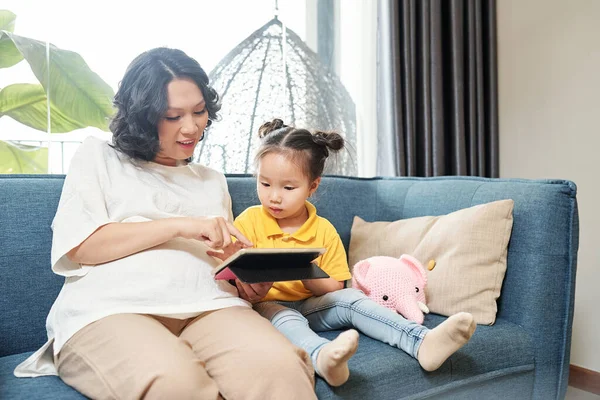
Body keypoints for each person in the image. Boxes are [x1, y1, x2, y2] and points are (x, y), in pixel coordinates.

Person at [14, 49, 316, 400]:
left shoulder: (210, 179)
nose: (191, 127)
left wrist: (248, 283)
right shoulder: (99, 156)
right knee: (177, 384)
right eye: (173, 116)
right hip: (113, 310)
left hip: (212, 308)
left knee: (280, 369)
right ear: (142, 117)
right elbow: (82, 247)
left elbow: (220, 264)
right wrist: (180, 226)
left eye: (199, 111)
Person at [219, 119, 477, 387]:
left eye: (287, 188)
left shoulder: (323, 230)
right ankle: (323, 358)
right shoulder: (249, 221)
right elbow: (233, 271)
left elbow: (335, 286)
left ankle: (421, 342)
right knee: (286, 317)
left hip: (313, 306)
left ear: (312, 186)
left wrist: (305, 272)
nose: (274, 197)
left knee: (351, 298)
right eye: (265, 184)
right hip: (267, 307)